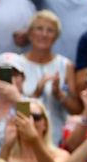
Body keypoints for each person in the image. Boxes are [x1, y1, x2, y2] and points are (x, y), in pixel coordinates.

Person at [18, 11, 81, 146]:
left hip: (58, 137)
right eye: (39, 29)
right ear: (30, 33)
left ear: (56, 37)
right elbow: (7, 104)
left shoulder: (66, 65)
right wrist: (35, 96)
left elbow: (76, 110)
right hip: (25, 136)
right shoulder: (15, 63)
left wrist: (59, 94)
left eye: (50, 30)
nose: (44, 34)